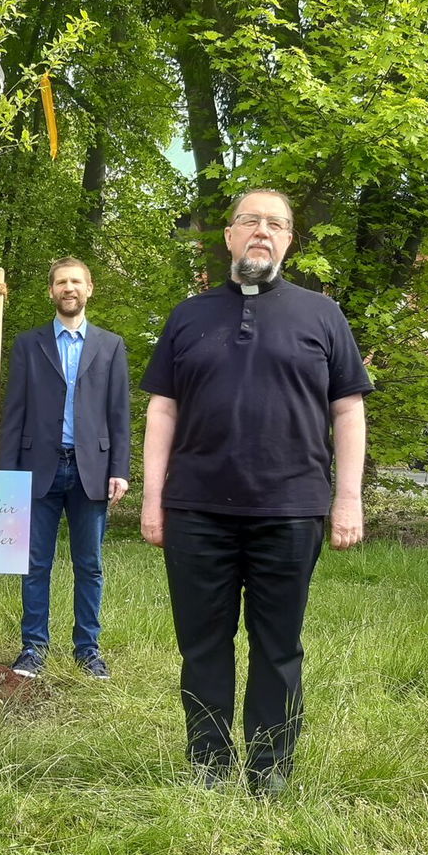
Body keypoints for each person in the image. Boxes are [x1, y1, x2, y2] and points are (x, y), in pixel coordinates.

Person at [139, 189, 372, 797]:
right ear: (229, 236)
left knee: (278, 646)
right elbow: (162, 410)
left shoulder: (323, 315)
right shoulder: (188, 316)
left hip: (290, 509)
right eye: (249, 221)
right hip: (196, 509)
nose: (261, 231)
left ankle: (270, 771)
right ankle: (210, 767)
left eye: (275, 223)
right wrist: (153, 499)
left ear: (289, 240)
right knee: (202, 645)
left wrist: (347, 499)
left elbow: (348, 410)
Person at [0, 257, 131, 680]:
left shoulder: (110, 346)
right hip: (39, 468)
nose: (68, 288)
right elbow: (13, 413)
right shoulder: (28, 344)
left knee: (89, 565)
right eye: (60, 282)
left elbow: (119, 413)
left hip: (92, 470)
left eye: (75, 281)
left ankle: (88, 650)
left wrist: (120, 469)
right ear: (51, 291)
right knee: (35, 563)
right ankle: (33, 648)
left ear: (89, 288)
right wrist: (6, 474)